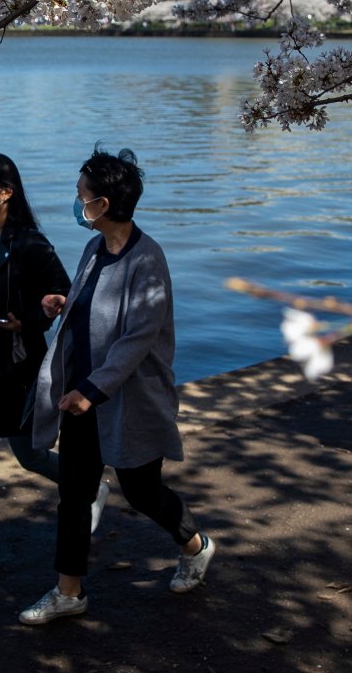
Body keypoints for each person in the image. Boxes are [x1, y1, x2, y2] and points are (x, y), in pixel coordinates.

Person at [17, 147, 214, 625]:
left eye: (81, 193)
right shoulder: (94, 249)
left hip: (128, 399)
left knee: (142, 491)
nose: (76, 199)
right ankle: (69, 592)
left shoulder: (148, 260)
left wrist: (93, 390)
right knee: (75, 493)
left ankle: (195, 544)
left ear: (103, 204)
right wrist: (63, 305)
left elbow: (137, 338)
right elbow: (97, 309)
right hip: (83, 398)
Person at [0, 152, 107, 576]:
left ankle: (88, 486)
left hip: (15, 362)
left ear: (6, 192)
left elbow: (68, 299)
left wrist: (25, 321)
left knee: (29, 455)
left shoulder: (30, 244)